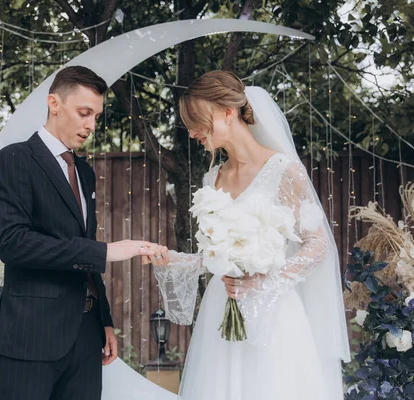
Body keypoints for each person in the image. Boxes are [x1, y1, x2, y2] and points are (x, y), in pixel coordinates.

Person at [148, 71, 350, 399]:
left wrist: (265, 281)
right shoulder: (213, 177)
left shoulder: (284, 172)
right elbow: (215, 256)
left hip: (274, 315)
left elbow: (316, 246)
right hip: (221, 310)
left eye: (197, 119)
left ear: (228, 111)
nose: (193, 131)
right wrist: (173, 259)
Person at [0, 65, 159, 400]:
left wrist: (104, 319)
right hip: (30, 337)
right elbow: (13, 244)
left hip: (85, 337)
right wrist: (105, 251)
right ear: (54, 103)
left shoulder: (84, 171)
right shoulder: (14, 159)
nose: (91, 125)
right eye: (84, 113)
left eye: (95, 116)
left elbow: (81, 245)